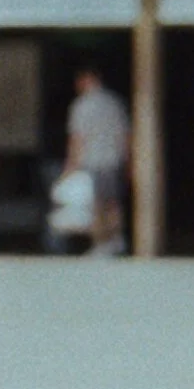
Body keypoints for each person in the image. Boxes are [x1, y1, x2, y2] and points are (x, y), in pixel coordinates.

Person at [62, 67, 130, 257]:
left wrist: (70, 164)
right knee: (113, 202)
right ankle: (117, 239)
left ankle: (101, 242)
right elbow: (125, 135)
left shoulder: (82, 105)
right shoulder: (114, 103)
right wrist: (128, 160)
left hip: (92, 161)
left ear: (86, 80)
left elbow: (78, 138)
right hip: (113, 159)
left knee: (96, 204)